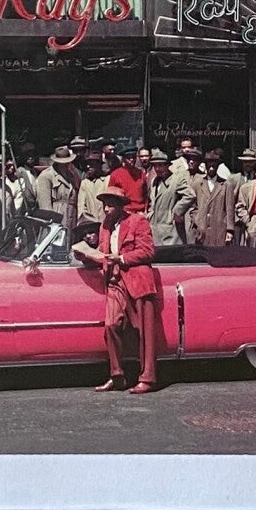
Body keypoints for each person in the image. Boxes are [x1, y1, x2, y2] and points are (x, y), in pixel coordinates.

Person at [73, 183, 159, 393]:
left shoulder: (138, 221)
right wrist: (86, 256)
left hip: (138, 282)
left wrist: (121, 258)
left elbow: (148, 251)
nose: (106, 209)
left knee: (144, 332)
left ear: (121, 205)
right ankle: (117, 375)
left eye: (110, 205)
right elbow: (103, 253)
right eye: (104, 205)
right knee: (111, 325)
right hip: (114, 282)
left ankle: (147, 378)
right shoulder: (106, 225)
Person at [190, 158, 238, 247]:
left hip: (219, 229)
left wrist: (229, 230)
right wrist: (196, 220)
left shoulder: (226, 185)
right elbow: (192, 206)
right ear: (205, 166)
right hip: (201, 229)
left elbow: (230, 209)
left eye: (214, 165)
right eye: (209, 165)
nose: (211, 168)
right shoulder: (197, 184)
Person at [34, 146, 78, 241]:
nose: (65, 165)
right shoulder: (46, 176)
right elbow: (45, 206)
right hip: (56, 220)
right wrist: (52, 225)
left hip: (71, 220)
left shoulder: (72, 175)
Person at [108, 143, 151, 213]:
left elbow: (145, 195)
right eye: (128, 157)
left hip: (140, 212)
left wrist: (145, 210)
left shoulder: (141, 173)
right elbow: (110, 197)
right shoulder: (115, 175)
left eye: (133, 157)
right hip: (124, 212)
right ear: (123, 159)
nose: (132, 159)